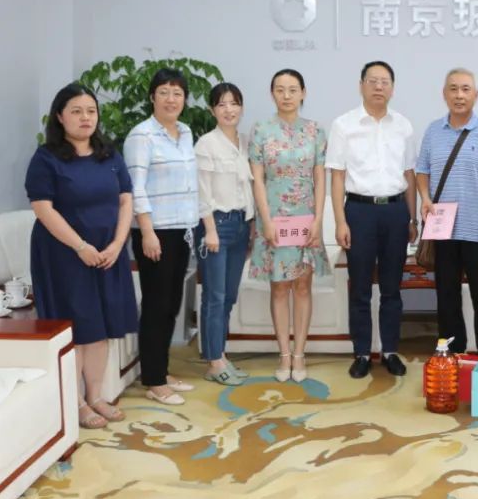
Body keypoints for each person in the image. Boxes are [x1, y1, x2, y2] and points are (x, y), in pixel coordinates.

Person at [26, 83, 138, 429]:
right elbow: (43, 209)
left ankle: (96, 396)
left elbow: (126, 199)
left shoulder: (109, 154)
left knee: (101, 326)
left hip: (108, 252)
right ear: (60, 117)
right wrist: (80, 247)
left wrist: (118, 244)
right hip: (64, 255)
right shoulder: (46, 158)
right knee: (78, 326)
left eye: (91, 111)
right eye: (76, 111)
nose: (85, 117)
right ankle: (75, 403)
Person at [327, 61, 417, 378]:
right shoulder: (344, 125)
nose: (379, 86)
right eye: (372, 80)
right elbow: (337, 177)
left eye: (385, 81)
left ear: (392, 87)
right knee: (361, 288)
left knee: (392, 288)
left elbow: (409, 174)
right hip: (359, 211)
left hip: (395, 211)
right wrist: (340, 221)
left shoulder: (403, 125)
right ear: (361, 85)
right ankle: (362, 352)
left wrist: (412, 219)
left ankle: (390, 350)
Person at [415, 68, 478, 358]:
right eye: (453, 89)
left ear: (475, 95)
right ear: (444, 94)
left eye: (465, 89)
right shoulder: (433, 131)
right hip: (443, 230)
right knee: (446, 297)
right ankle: (452, 355)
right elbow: (421, 170)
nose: (459, 95)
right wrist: (425, 198)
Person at [248, 69, 330, 382]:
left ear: (303, 93)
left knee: (303, 286)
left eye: (293, 89)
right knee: (280, 287)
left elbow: (320, 177)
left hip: (305, 218)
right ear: (272, 94)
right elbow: (257, 179)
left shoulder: (315, 130)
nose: (286, 95)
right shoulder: (261, 130)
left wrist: (319, 220)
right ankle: (284, 355)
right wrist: (265, 221)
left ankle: (300, 354)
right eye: (280, 89)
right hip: (274, 219)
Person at [124, 67, 199, 406]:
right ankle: (153, 380)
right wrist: (147, 232)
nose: (171, 99)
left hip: (181, 230)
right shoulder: (142, 136)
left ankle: (162, 370)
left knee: (171, 305)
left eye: (177, 93)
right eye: (164, 92)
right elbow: (135, 188)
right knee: (156, 305)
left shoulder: (185, 132)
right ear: (152, 96)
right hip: (154, 232)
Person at [195, 82, 254, 386]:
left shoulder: (245, 142)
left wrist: (252, 226)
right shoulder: (206, 144)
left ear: (241, 107)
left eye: (234, 103)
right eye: (221, 104)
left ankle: (221, 354)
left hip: (241, 225)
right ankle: (213, 361)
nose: (229, 110)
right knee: (214, 296)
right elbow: (201, 192)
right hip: (216, 225)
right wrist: (210, 230)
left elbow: (249, 188)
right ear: (212, 110)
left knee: (229, 296)